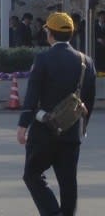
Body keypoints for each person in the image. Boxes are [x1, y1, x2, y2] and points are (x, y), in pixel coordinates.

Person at [17, 11, 96, 216]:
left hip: (44, 131)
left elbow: (32, 96)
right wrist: (83, 127)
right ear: (71, 34)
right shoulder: (86, 61)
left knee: (32, 174)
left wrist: (22, 126)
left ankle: (52, 213)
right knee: (68, 181)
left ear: (49, 34)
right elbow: (89, 100)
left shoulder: (43, 59)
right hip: (71, 132)